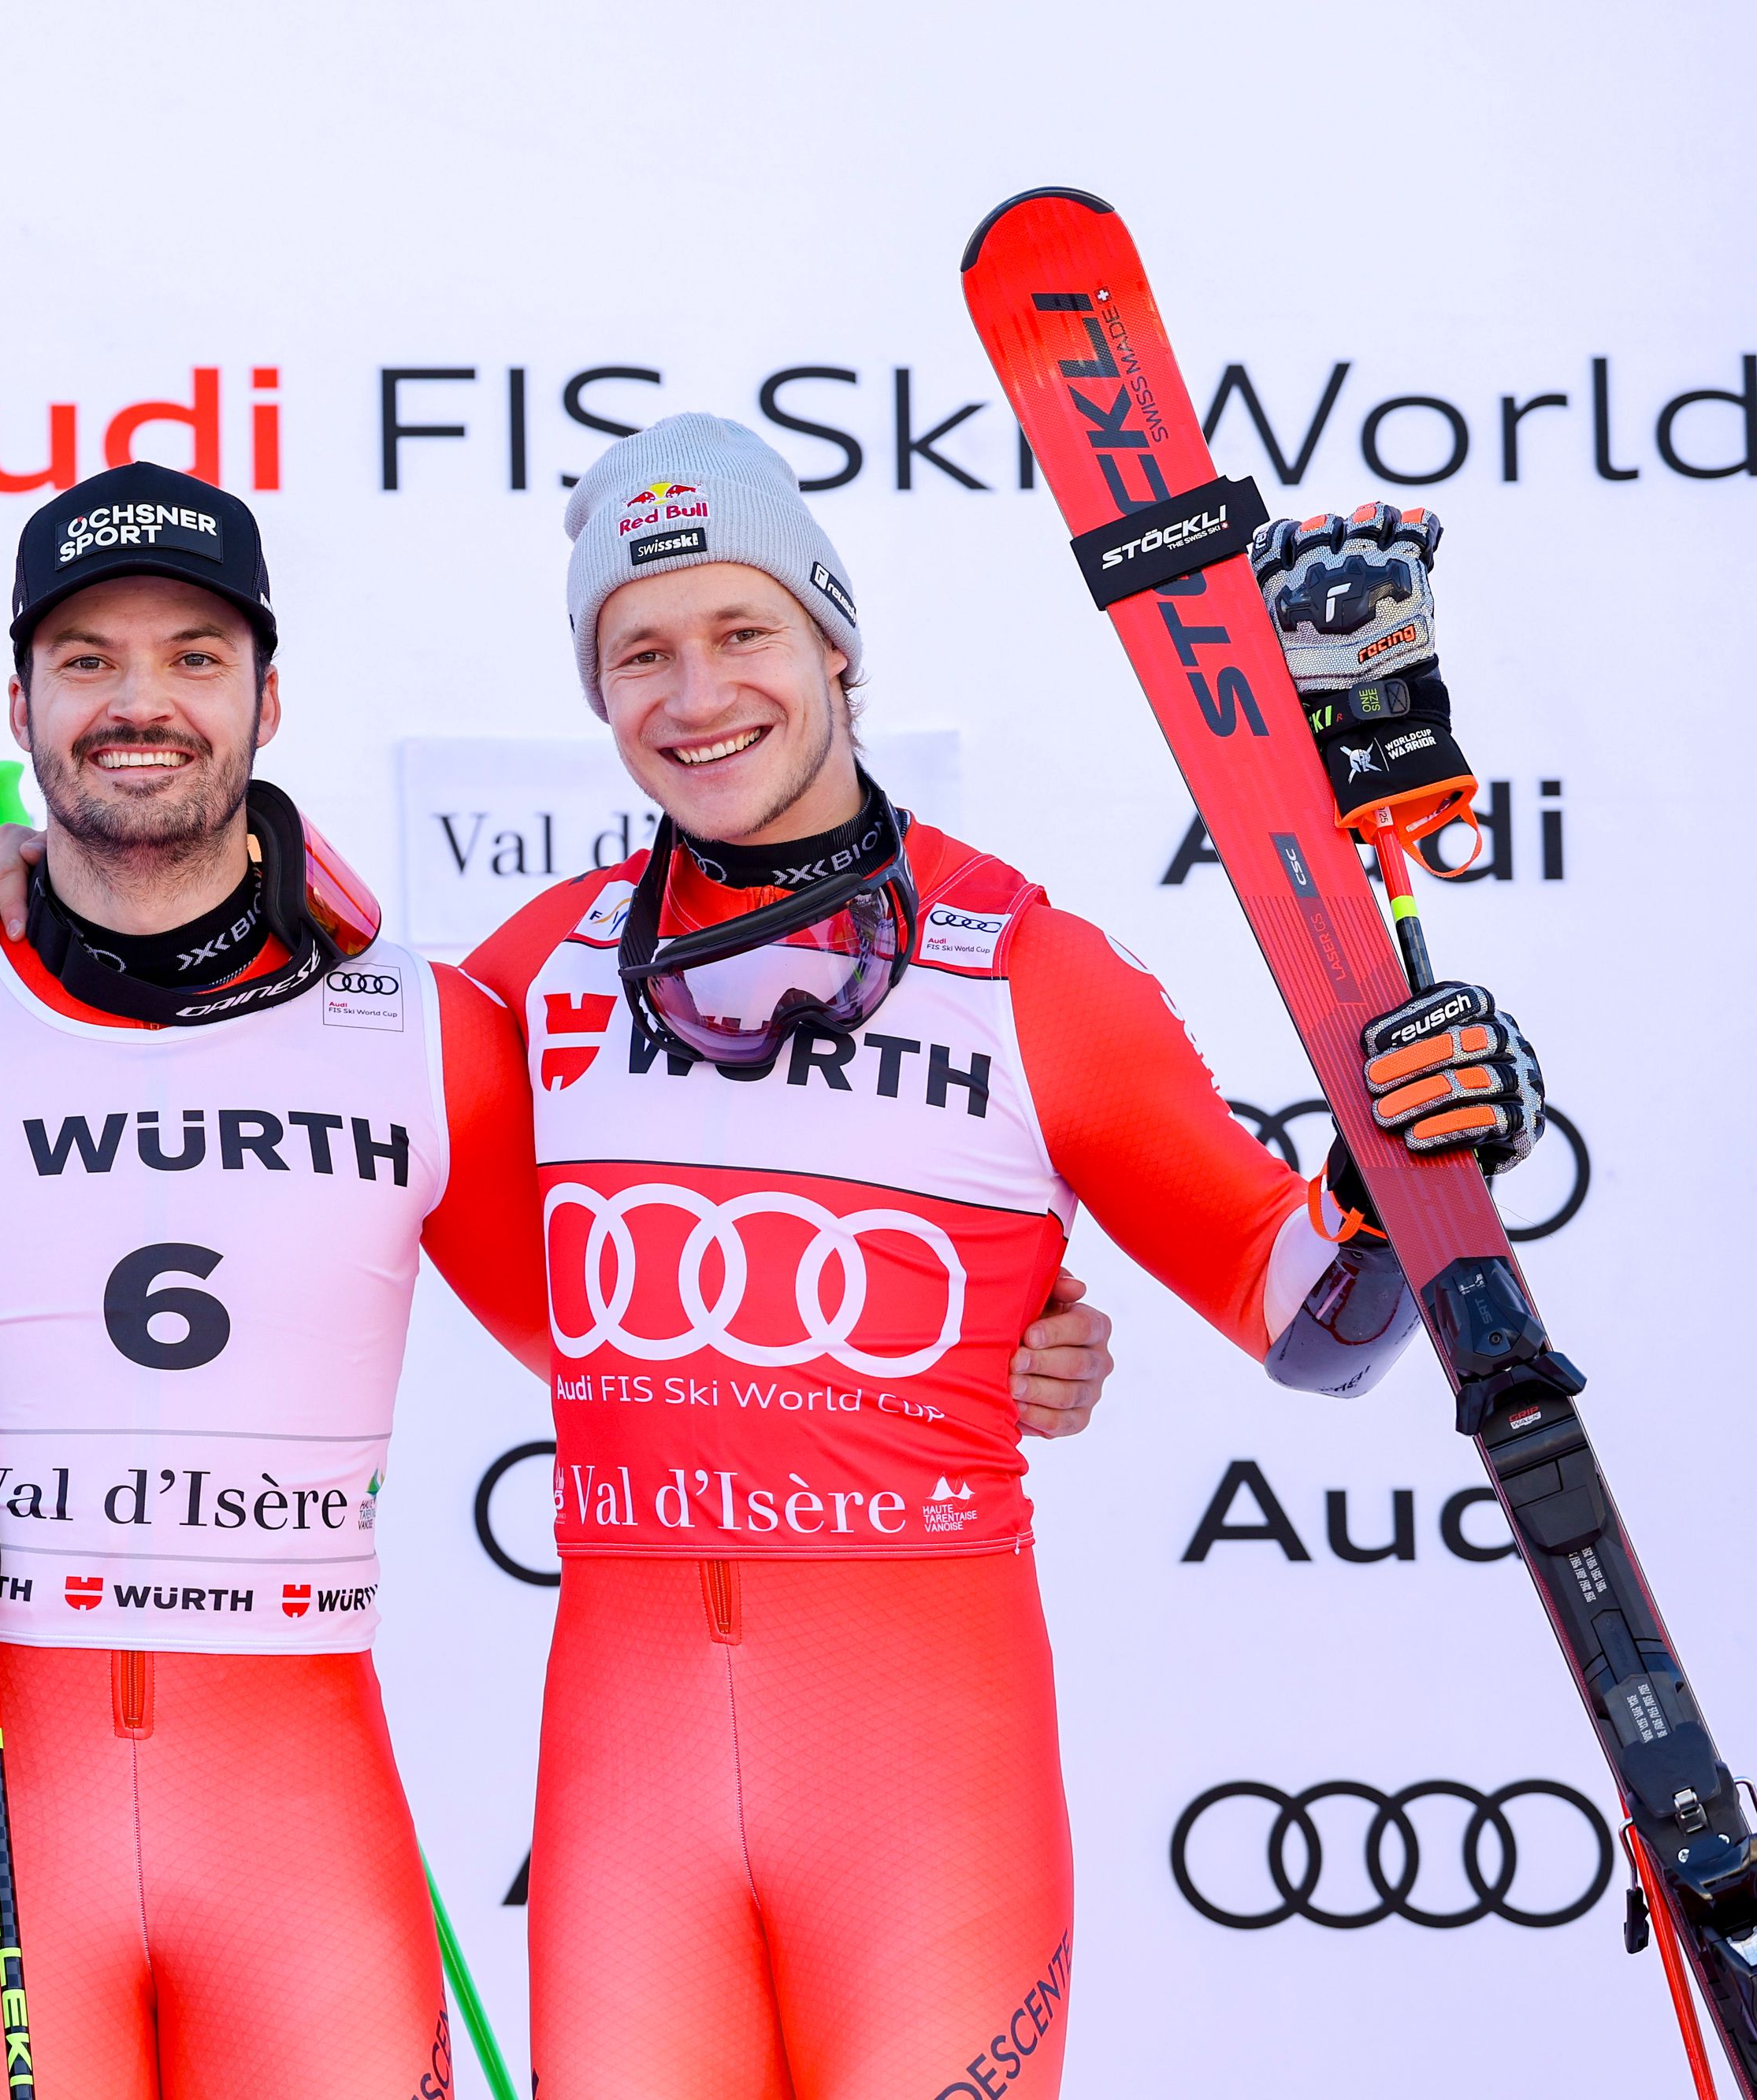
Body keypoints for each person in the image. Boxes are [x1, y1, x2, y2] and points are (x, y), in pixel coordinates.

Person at [0, 462, 1120, 2098]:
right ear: (15, 704)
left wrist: (977, 1346)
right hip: (6, 1802)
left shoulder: (420, 1027)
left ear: (268, 697)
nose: (138, 700)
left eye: (193, 656)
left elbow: (628, 1322)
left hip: (299, 1842)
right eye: (85, 660)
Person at [444, 417, 1545, 2099]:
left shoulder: (1028, 969)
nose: (692, 693)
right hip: (627, 1808)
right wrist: (2, 879)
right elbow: (258, 1026)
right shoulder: (532, 975)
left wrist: (1387, 1182)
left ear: (832, 640)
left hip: (919, 1799)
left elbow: (1304, 1322)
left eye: (739, 631)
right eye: (636, 651)